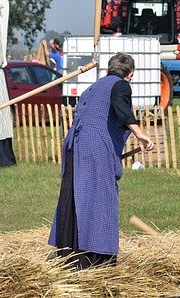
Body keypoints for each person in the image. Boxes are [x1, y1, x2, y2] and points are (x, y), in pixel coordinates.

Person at [48, 52, 155, 270]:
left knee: (75, 197)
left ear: (108, 69)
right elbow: (121, 107)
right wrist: (139, 133)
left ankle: (68, 255)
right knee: (98, 198)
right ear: (130, 74)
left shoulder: (95, 86)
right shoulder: (120, 85)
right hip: (93, 148)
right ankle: (94, 259)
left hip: (74, 146)